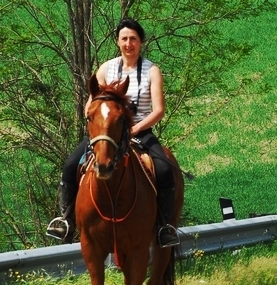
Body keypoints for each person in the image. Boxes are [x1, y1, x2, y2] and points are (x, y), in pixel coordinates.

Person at [46, 18, 180, 247]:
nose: (129, 43)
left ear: (141, 42)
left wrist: (135, 128)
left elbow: (159, 110)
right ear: (118, 42)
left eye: (134, 39)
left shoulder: (152, 70)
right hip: (105, 134)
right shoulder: (106, 69)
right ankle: (65, 219)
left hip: (140, 132)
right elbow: (90, 104)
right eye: (124, 39)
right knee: (70, 165)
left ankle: (164, 226)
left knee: (165, 168)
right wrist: (97, 120)